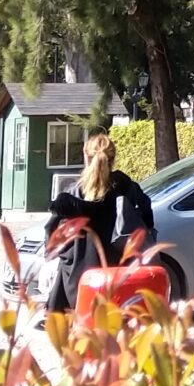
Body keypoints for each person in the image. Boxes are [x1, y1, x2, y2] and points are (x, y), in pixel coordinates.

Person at [41, 132, 156, 311]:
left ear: (86, 157)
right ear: (113, 159)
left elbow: (52, 240)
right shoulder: (128, 190)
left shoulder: (69, 197)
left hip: (77, 280)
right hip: (117, 276)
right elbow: (147, 222)